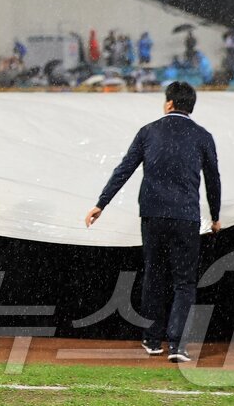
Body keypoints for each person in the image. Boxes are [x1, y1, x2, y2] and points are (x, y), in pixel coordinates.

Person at [85, 81, 221, 364]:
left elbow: (124, 169)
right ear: (190, 106)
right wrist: (216, 216)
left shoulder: (149, 132)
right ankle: (178, 345)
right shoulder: (202, 136)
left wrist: (101, 203)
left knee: (154, 276)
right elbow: (213, 179)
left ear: (169, 103)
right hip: (185, 216)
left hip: (153, 215)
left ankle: (151, 338)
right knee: (184, 281)